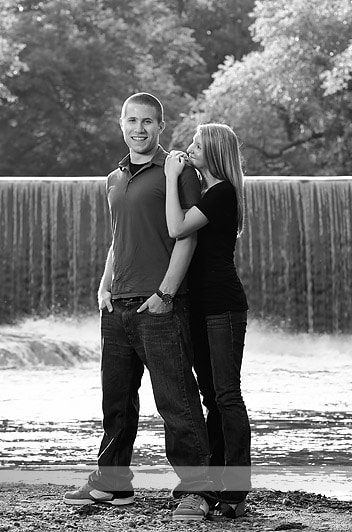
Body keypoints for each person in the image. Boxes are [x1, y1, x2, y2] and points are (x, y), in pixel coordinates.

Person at [63, 92, 214, 522]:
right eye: (132, 120)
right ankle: (113, 484)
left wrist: (166, 293)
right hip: (117, 306)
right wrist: (103, 285)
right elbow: (118, 238)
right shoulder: (114, 178)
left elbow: (187, 235)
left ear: (160, 127)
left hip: (160, 305)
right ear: (121, 123)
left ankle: (197, 489)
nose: (139, 129)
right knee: (117, 401)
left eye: (148, 121)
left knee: (176, 401)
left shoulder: (177, 170)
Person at [164, 123, 251, 518]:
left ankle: (236, 489)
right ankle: (216, 482)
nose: (190, 147)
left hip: (222, 308)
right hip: (199, 307)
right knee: (210, 398)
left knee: (227, 397)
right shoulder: (206, 191)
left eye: (198, 145)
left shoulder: (222, 193)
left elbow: (177, 227)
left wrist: (169, 178)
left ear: (214, 151)